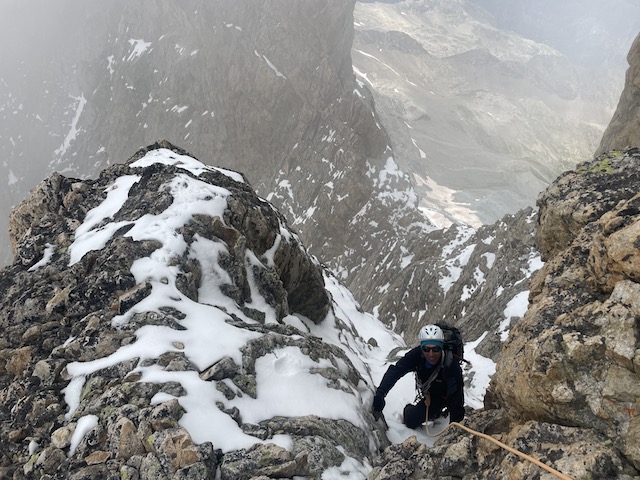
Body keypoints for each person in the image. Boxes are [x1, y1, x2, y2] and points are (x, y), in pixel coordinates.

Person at [372, 324, 465, 428]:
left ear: (442, 347)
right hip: (433, 397)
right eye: (426, 349)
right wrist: (381, 394)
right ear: (421, 347)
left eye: (436, 349)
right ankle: (416, 409)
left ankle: (436, 412)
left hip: (445, 396)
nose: (431, 354)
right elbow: (396, 371)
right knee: (411, 420)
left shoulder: (451, 364)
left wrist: (455, 426)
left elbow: (456, 395)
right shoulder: (416, 355)